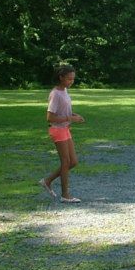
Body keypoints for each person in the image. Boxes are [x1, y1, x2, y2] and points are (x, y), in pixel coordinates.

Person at [39, 65, 85, 203]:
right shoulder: (55, 94)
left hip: (65, 129)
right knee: (65, 162)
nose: (72, 81)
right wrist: (70, 118)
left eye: (73, 79)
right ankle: (65, 195)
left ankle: (47, 181)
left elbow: (63, 111)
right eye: (69, 79)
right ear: (61, 77)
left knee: (73, 162)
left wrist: (74, 115)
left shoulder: (64, 90)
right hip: (57, 130)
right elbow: (50, 117)